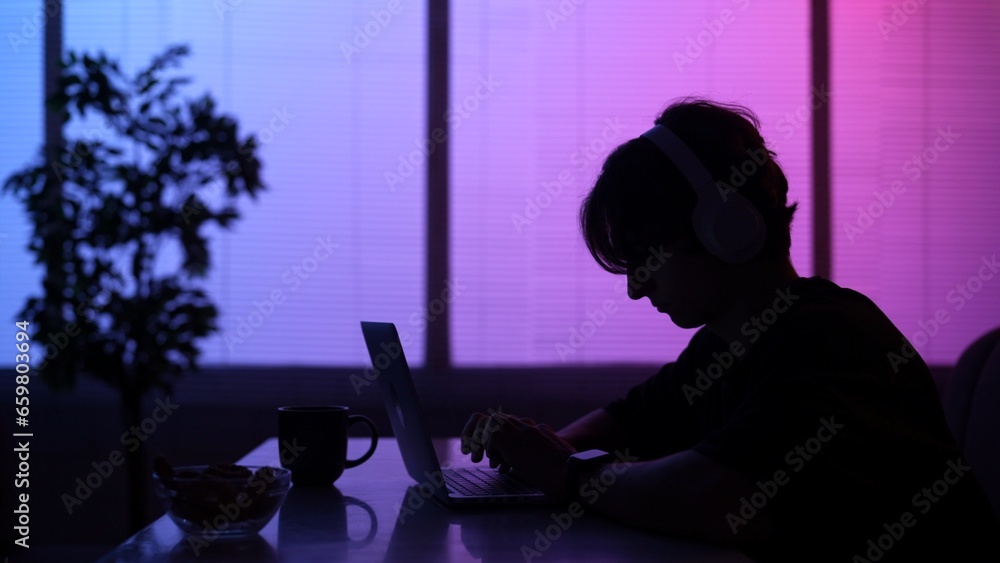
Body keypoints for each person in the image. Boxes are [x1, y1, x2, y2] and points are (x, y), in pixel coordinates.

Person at [459, 99, 1000, 561]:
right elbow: (631, 422)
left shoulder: (833, 339)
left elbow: (722, 496)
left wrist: (569, 475)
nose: (636, 290)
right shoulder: (728, 343)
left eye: (646, 260)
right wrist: (537, 451)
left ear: (723, 227)